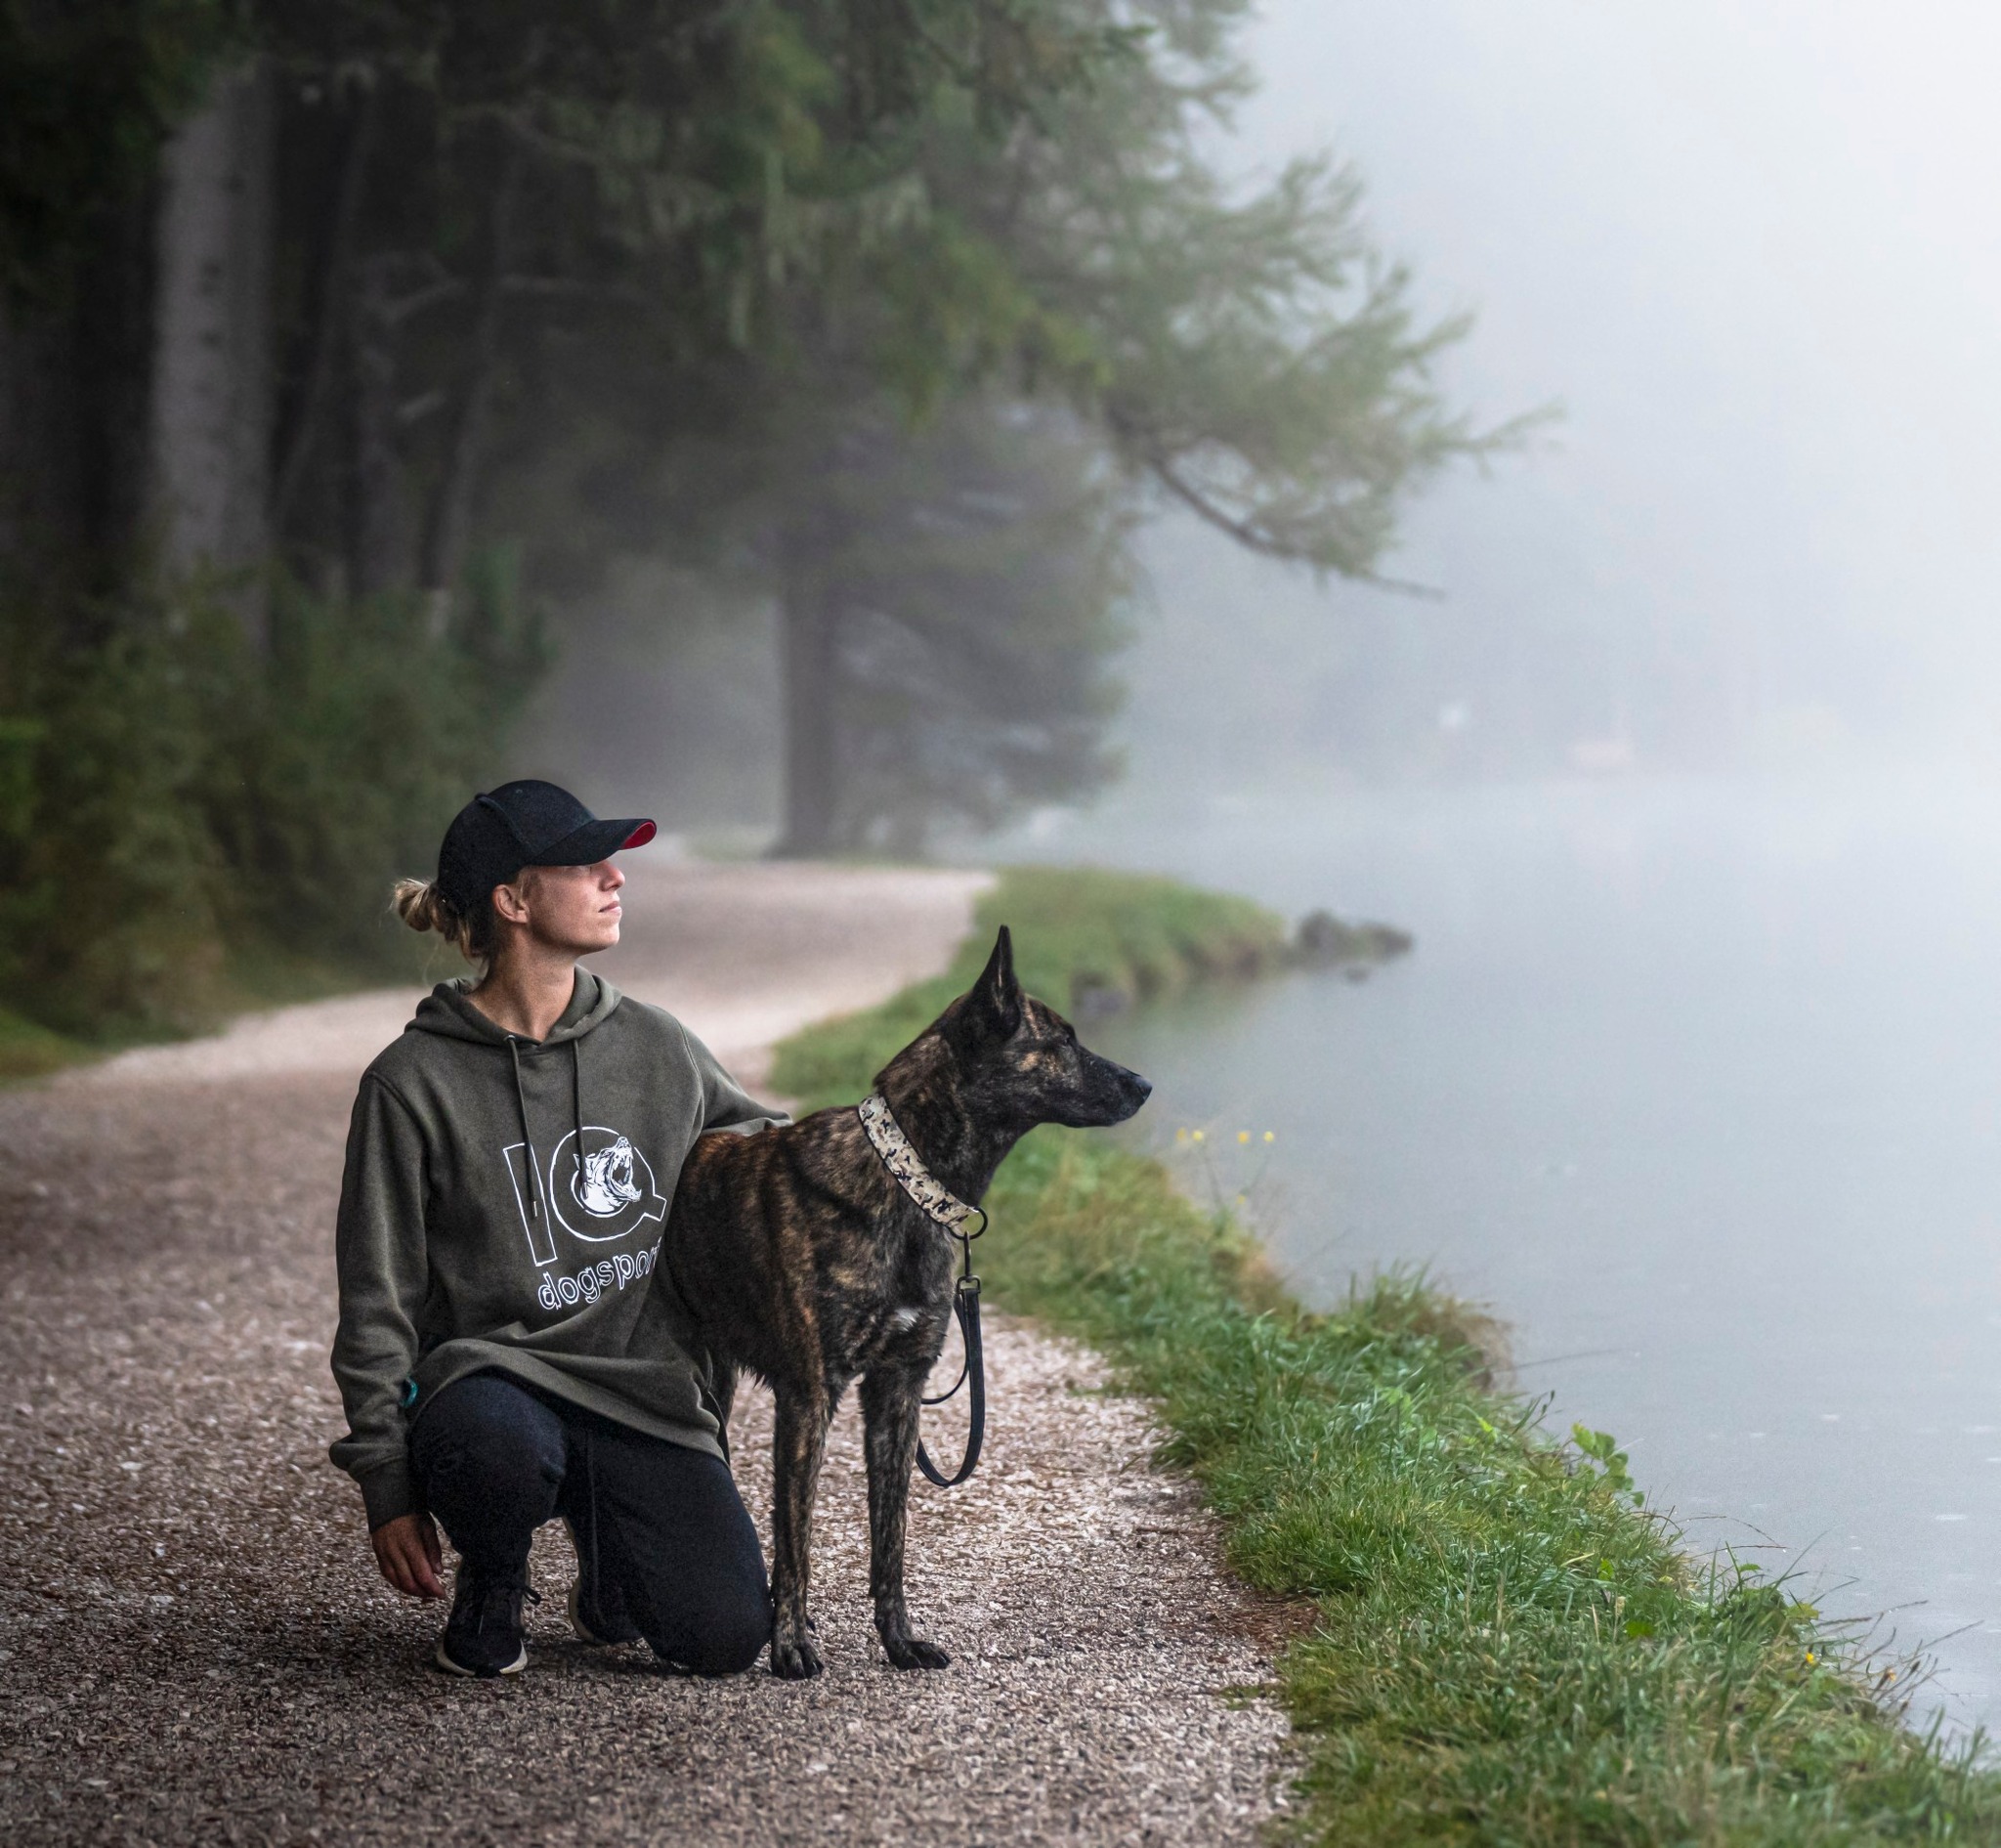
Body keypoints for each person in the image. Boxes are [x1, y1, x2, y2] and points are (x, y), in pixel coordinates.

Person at [328, 780, 785, 1678]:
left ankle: (610, 1558)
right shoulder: (410, 1083)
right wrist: (387, 1485)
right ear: (513, 900)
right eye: (585, 864)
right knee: (494, 1449)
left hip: (643, 1390)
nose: (616, 877)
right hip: (495, 1389)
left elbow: (770, 1158)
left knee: (726, 1637)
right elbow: (376, 1298)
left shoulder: (656, 1044)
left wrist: (898, 1156)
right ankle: (494, 1576)